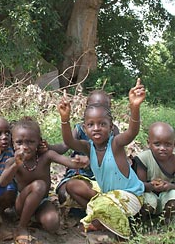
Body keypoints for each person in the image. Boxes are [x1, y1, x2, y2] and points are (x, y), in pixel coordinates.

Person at [58, 78, 146, 241]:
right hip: (108, 196)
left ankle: (103, 223)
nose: (96, 128)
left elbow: (132, 132)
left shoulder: (116, 144)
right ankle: (102, 219)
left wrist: (135, 107)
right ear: (85, 128)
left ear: (111, 127)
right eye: (91, 125)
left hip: (131, 196)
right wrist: (65, 119)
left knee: (104, 203)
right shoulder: (88, 146)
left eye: (102, 124)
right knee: (72, 185)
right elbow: (69, 142)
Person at [0, 117, 89, 244]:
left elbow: (68, 162)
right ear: (12, 144)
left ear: (39, 142)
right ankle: (21, 227)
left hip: (42, 201)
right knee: (39, 185)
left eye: (30, 142)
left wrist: (80, 162)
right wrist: (16, 164)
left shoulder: (46, 156)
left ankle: (34, 216)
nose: (24, 147)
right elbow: (3, 181)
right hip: (21, 203)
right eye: (19, 143)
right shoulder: (12, 161)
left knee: (52, 224)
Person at [56, 90, 118, 212]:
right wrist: (46, 147)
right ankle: (98, 211)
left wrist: (91, 161)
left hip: (103, 176)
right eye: (93, 106)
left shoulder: (113, 130)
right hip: (78, 174)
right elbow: (66, 144)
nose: (96, 128)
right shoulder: (81, 128)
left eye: (103, 107)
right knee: (64, 194)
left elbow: (116, 156)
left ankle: (101, 209)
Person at [133, 121, 175, 224]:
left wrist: (170, 186)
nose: (162, 148)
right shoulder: (144, 158)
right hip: (148, 192)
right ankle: (142, 221)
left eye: (168, 144)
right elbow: (139, 185)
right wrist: (152, 186)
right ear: (148, 143)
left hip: (167, 194)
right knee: (146, 202)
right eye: (157, 144)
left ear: (174, 145)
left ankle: (167, 218)